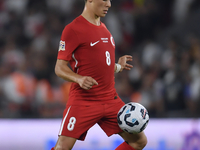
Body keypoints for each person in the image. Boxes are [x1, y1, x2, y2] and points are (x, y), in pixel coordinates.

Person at [52, 0, 147, 150]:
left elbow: (98, 63)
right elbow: (59, 68)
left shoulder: (104, 28)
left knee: (139, 141)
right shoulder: (73, 29)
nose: (109, 4)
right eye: (104, 0)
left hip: (110, 99)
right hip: (84, 100)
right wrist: (79, 78)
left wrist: (117, 67)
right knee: (62, 147)